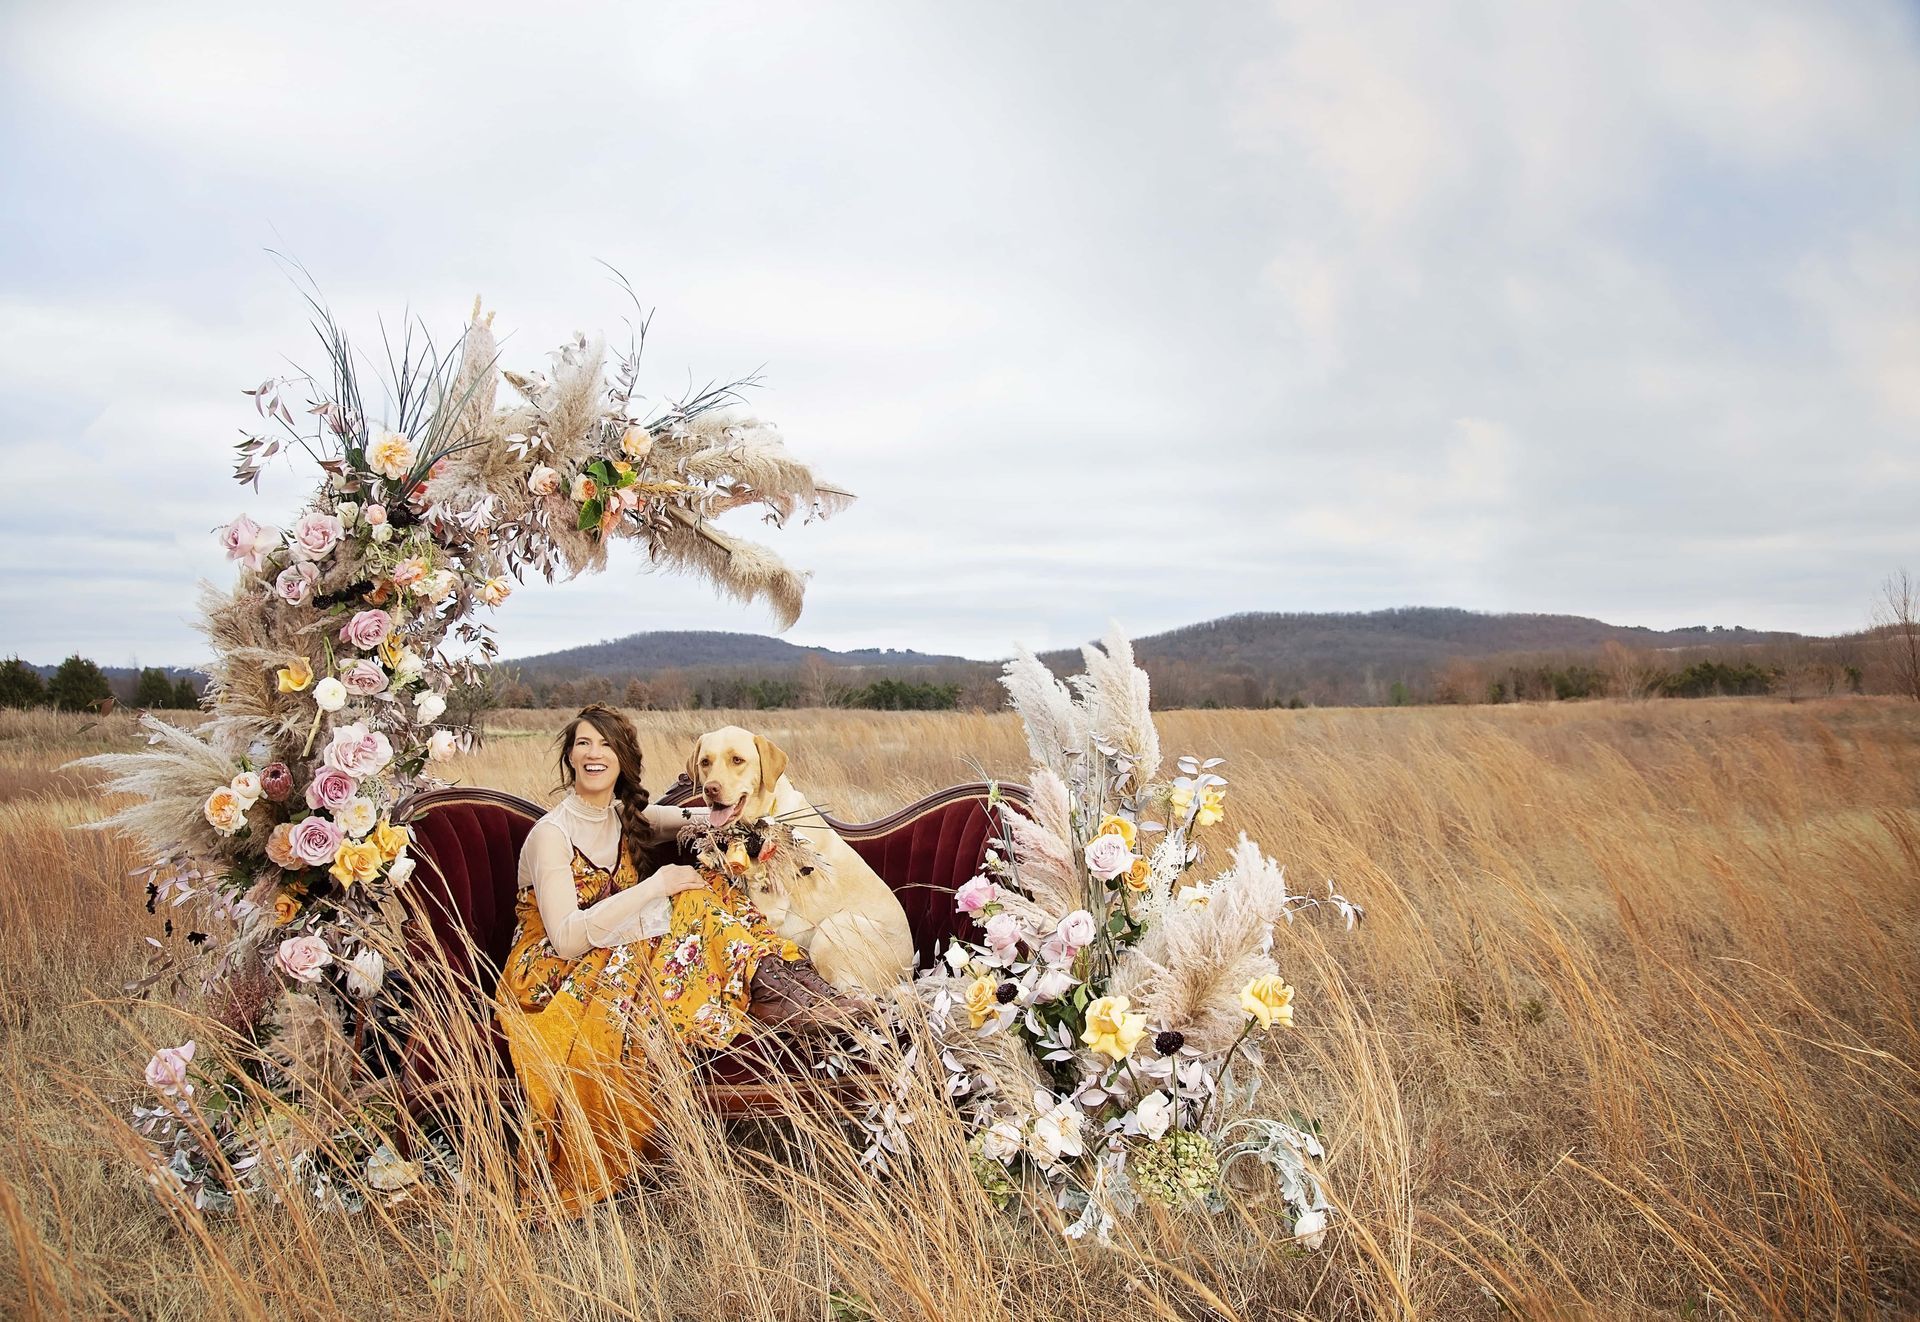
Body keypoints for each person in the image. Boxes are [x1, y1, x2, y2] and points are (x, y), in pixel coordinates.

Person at [494, 703, 852, 1215]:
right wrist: (654, 886)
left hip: (609, 945)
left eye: (607, 745)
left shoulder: (623, 816)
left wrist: (753, 822)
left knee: (706, 885)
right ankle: (778, 990)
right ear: (569, 757)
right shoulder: (552, 834)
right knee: (688, 895)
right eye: (584, 744)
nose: (595, 754)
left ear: (624, 760)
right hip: (553, 972)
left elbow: (700, 816)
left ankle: (784, 984)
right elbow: (569, 937)